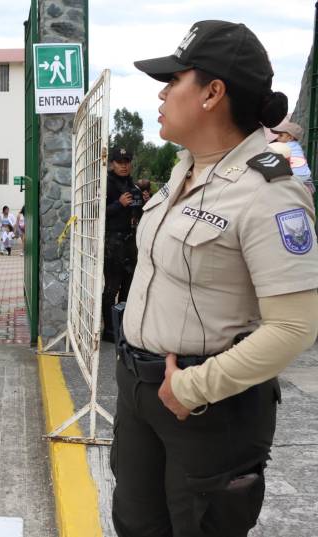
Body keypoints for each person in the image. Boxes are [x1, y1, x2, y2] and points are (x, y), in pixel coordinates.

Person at [112, 20, 318, 537]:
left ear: (212, 93)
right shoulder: (186, 169)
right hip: (142, 388)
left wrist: (197, 386)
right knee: (136, 524)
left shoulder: (270, 188)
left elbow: (295, 327)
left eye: (174, 79)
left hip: (208, 408)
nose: (162, 92)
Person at [101, 147, 148, 342]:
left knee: (129, 286)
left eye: (127, 161)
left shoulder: (132, 185)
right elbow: (96, 211)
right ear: (112, 163)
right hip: (112, 240)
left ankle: (123, 327)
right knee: (112, 287)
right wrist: (118, 204)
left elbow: (139, 213)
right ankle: (110, 331)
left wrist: (144, 203)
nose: (124, 165)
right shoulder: (106, 184)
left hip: (130, 240)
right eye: (120, 162)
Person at [270, 119, 314, 193]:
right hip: (306, 177)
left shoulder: (283, 147)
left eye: (281, 135)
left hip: (295, 178)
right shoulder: (297, 147)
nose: (277, 138)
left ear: (290, 138)